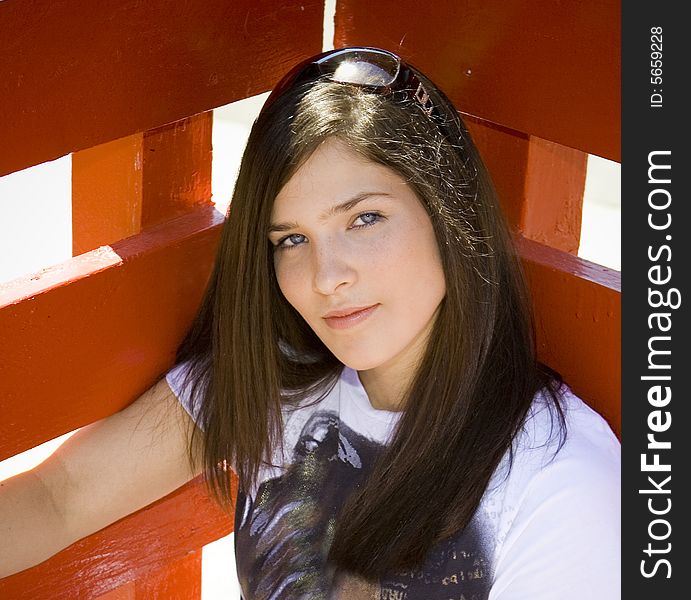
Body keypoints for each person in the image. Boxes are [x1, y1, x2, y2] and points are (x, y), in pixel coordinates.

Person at [0, 47, 620, 598]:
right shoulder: (279, 386)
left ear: (447, 214)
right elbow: (60, 499)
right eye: (292, 239)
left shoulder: (560, 485)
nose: (327, 277)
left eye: (365, 219)